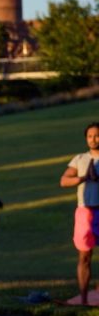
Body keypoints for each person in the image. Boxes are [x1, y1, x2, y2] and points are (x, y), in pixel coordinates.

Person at [60, 122, 99, 306]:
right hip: (85, 210)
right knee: (84, 256)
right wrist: (84, 178)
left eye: (97, 135)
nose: (93, 139)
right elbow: (64, 180)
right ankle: (83, 299)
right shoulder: (80, 159)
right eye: (90, 136)